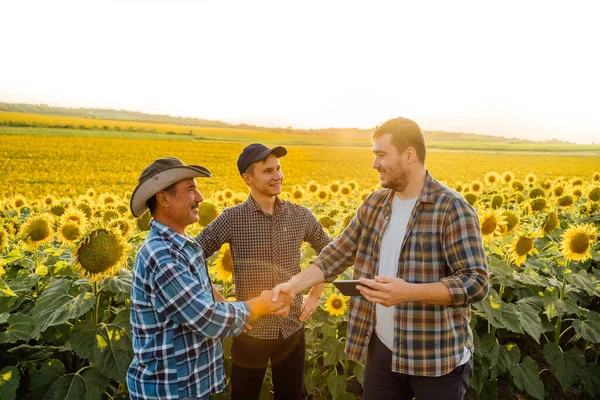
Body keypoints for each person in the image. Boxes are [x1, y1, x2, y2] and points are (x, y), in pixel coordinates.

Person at [273, 117, 489, 400]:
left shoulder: (452, 209)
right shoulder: (375, 204)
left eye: (381, 155)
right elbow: (334, 255)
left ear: (409, 155)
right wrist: (291, 286)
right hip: (383, 353)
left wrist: (408, 293)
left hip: (436, 358)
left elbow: (475, 282)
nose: (375, 164)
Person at [126, 156, 292, 400]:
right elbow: (207, 319)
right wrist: (261, 305)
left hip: (187, 384)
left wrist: (230, 307)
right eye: (191, 189)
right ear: (163, 199)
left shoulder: (183, 244)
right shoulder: (162, 256)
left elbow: (199, 289)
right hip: (168, 389)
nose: (200, 197)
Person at [197, 143, 331, 400]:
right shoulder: (232, 218)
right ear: (247, 179)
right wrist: (223, 304)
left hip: (292, 328)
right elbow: (193, 257)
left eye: (279, 169)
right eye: (268, 171)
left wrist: (315, 295)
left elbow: (330, 254)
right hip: (251, 330)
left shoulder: (300, 215)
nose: (277, 176)